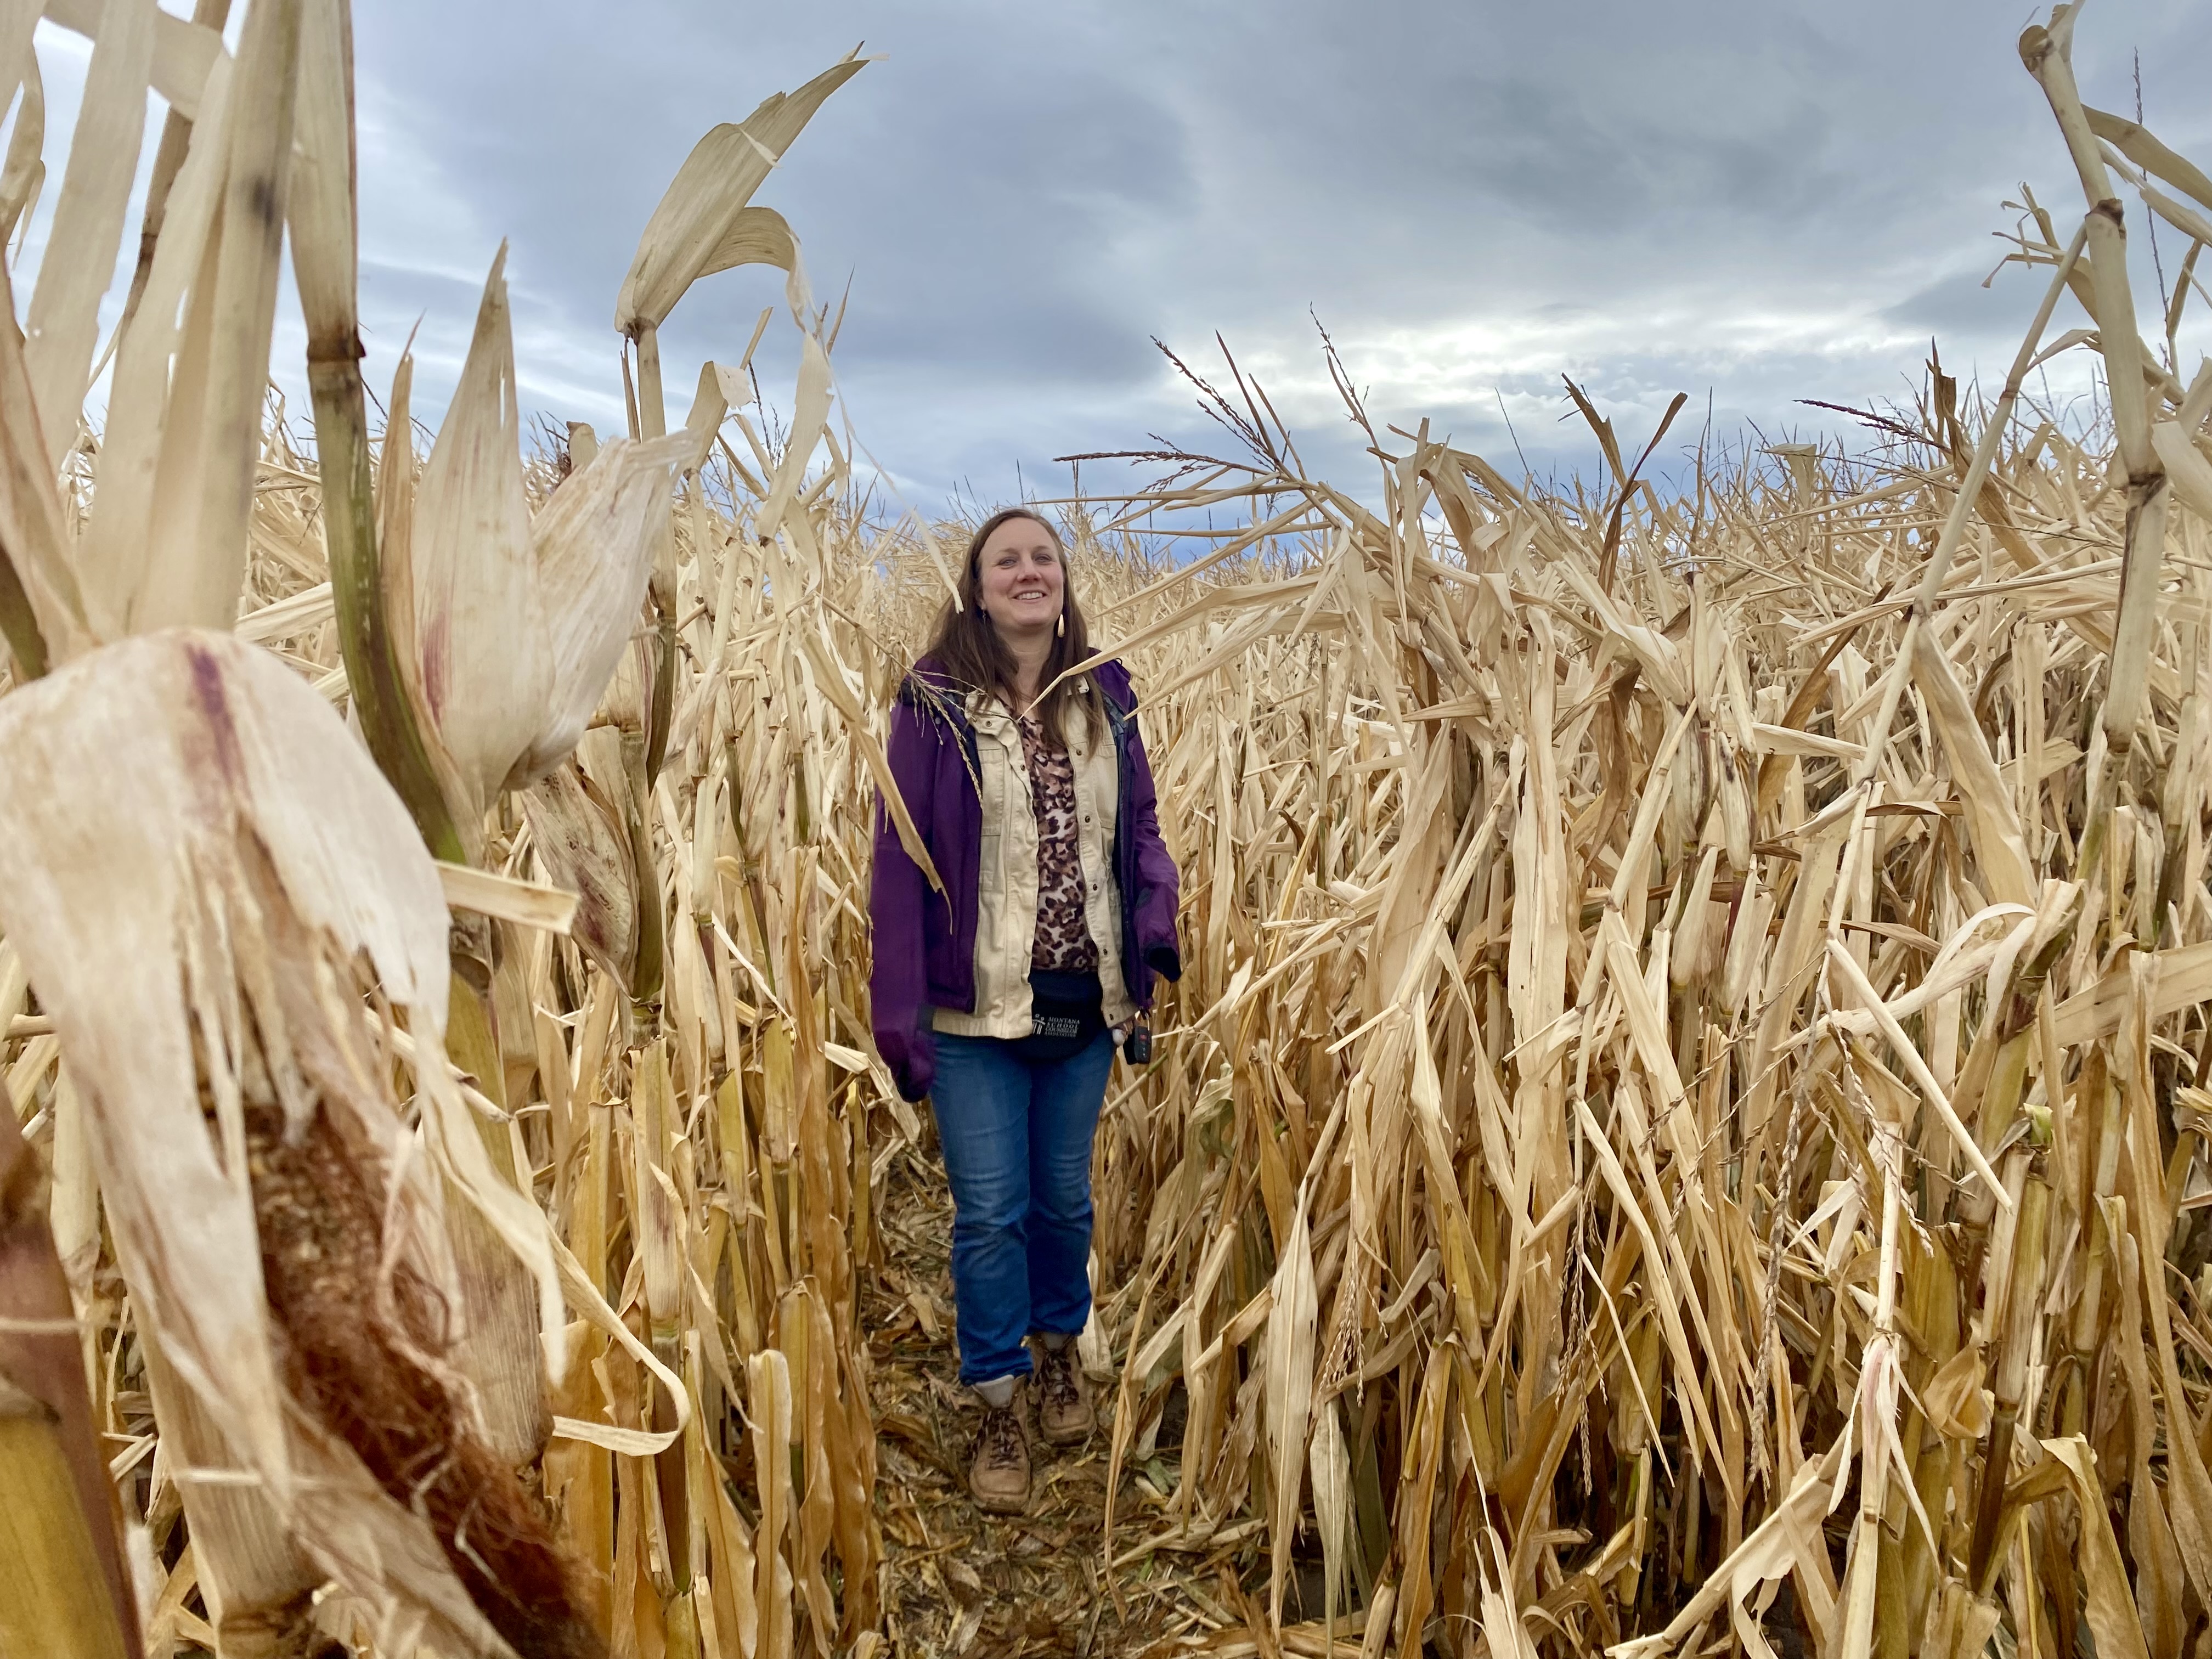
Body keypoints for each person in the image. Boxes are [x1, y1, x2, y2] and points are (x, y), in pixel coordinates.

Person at [868, 506, 1181, 1515]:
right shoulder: (934, 704)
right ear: (977, 582)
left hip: (1081, 1003)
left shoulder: (1106, 699)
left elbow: (1137, 830)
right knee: (990, 1214)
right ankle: (999, 1396)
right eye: (1007, 559)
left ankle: (1060, 1355)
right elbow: (899, 860)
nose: (1028, 571)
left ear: (1062, 580)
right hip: (975, 1018)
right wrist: (900, 1008)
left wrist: (1155, 930)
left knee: (1063, 1203)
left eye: (1043, 556)